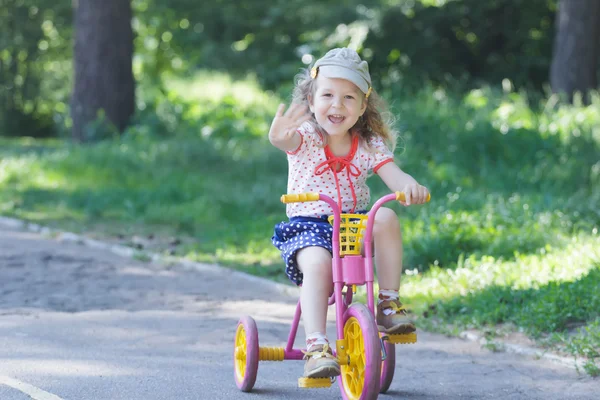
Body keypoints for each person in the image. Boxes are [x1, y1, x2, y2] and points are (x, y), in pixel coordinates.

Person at [269, 48, 430, 379]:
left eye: (348, 97)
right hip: (308, 227)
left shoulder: (368, 143)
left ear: (362, 106)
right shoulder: (308, 136)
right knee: (318, 263)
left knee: (384, 216)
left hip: (352, 224)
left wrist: (410, 185)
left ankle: (387, 302)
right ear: (312, 101)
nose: (337, 105)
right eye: (327, 95)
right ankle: (316, 345)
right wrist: (278, 137)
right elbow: (289, 142)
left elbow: (393, 175)